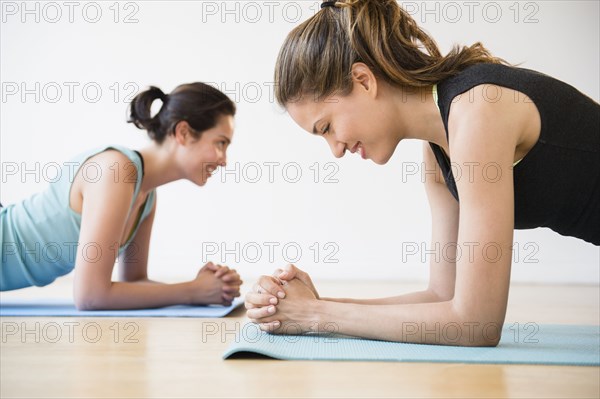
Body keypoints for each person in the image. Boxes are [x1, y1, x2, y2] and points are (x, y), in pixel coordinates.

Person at [244, 0, 600, 346]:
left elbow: (476, 323)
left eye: (326, 127)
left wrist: (314, 316)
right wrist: (319, 305)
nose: (335, 149)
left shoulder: (478, 114)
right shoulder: (439, 148)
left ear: (363, 80)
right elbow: (442, 297)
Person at [1, 83, 243, 310]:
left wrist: (206, 289)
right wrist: (192, 291)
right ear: (183, 132)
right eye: (220, 143)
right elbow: (91, 296)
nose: (224, 160)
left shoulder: (146, 194)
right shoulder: (117, 170)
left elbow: (135, 282)